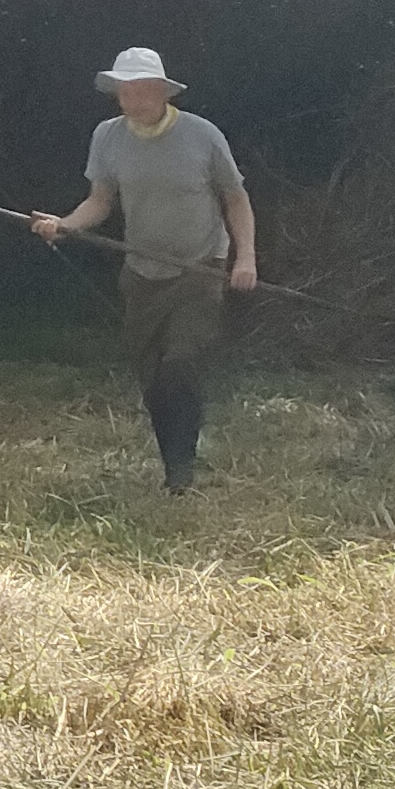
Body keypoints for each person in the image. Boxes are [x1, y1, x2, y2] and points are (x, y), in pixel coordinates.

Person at [36, 45, 254, 493]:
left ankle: (182, 471)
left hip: (200, 266)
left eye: (142, 91)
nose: (133, 101)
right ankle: (171, 460)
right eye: (125, 92)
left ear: (161, 92)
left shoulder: (202, 135)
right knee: (153, 377)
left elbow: (235, 199)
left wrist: (245, 258)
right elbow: (100, 200)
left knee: (181, 364)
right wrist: (64, 226)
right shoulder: (108, 137)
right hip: (142, 272)